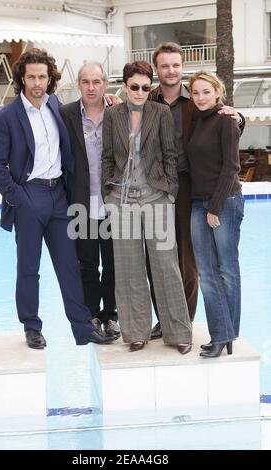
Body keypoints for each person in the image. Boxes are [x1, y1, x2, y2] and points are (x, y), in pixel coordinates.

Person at [0, 48, 114, 349]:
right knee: (29, 267)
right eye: (31, 76)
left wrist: (112, 100)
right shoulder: (8, 116)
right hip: (29, 195)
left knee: (69, 264)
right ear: (21, 78)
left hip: (59, 196)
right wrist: (19, 197)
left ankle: (82, 328)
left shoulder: (56, 106)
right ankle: (31, 326)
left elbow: (89, 107)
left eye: (42, 76)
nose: (37, 82)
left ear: (50, 78)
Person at [148, 42, 245, 339]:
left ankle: (183, 322)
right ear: (156, 69)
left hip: (191, 186)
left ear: (182, 67)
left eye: (176, 65)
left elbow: (225, 126)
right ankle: (164, 319)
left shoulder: (196, 99)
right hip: (156, 189)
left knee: (190, 263)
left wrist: (239, 117)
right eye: (164, 65)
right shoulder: (146, 98)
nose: (171, 70)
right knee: (158, 259)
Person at [102, 60, 192, 353]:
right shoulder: (113, 115)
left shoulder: (161, 112)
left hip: (156, 197)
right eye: (134, 86)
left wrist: (169, 194)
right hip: (122, 200)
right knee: (129, 269)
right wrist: (108, 193)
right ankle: (135, 332)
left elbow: (170, 154)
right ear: (125, 86)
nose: (140, 92)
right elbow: (106, 157)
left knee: (166, 266)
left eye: (144, 86)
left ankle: (178, 333)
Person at [60, 62, 120, 339]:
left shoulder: (117, 112)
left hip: (112, 203)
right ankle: (93, 316)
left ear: (105, 84)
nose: (91, 87)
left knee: (112, 264)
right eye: (86, 82)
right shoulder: (66, 114)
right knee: (86, 265)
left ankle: (112, 315)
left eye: (97, 81)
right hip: (81, 203)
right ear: (79, 85)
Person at [187, 71, 244, 358]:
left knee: (227, 271)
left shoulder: (226, 120)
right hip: (198, 202)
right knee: (207, 274)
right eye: (195, 92)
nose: (200, 97)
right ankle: (221, 334)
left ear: (217, 92)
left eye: (205, 92)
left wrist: (215, 206)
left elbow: (231, 167)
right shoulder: (197, 120)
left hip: (224, 202)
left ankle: (227, 335)